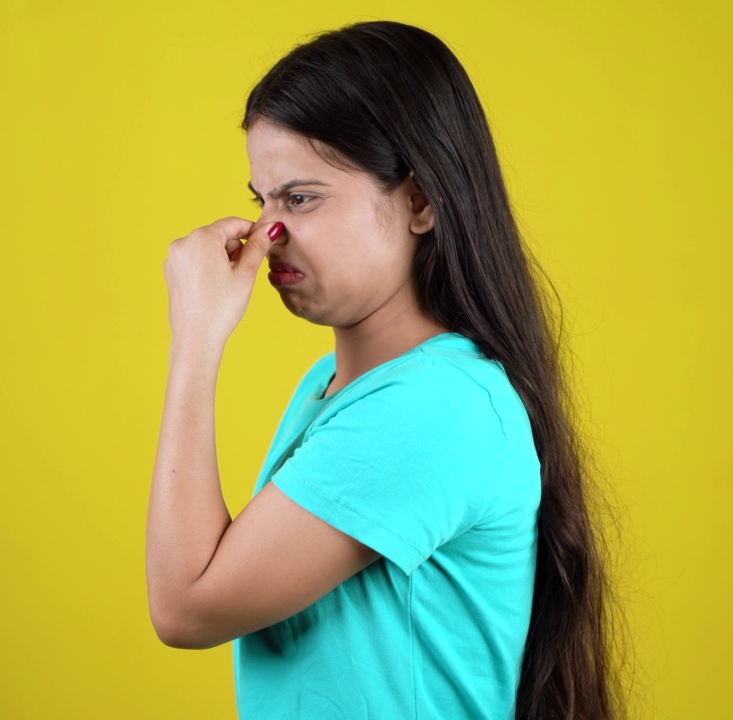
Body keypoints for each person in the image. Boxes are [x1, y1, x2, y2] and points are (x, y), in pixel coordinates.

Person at [148, 20, 623, 719]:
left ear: (420, 202)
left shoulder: (435, 407)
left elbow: (188, 605)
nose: (266, 235)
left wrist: (194, 339)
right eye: (262, 200)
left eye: (301, 198)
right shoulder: (329, 388)